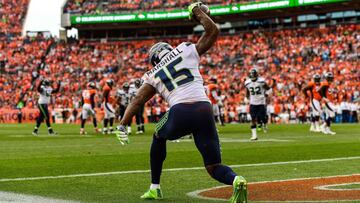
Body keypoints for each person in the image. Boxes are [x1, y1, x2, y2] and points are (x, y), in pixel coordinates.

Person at [115, 2, 247, 202]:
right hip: (204, 109)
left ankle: (155, 187)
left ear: (154, 60)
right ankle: (236, 180)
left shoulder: (153, 73)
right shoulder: (185, 49)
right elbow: (213, 31)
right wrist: (198, 12)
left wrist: (123, 124)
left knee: (158, 136)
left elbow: (137, 100)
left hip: (181, 111)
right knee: (213, 166)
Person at [244, 69, 272, 140]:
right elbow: (247, 91)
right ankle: (254, 136)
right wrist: (246, 98)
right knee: (253, 119)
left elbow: (269, 89)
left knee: (263, 118)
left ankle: (264, 124)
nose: (253, 78)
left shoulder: (261, 82)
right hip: (253, 102)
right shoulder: (247, 83)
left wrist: (266, 95)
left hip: (261, 102)